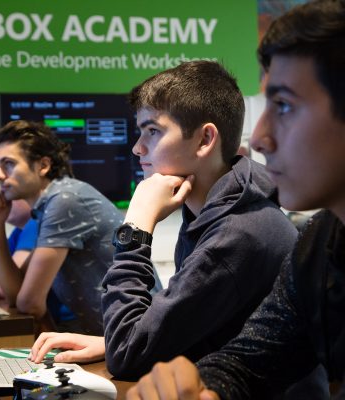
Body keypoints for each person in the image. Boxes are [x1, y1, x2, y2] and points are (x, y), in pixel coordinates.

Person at [126, 0, 345, 398]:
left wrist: (134, 229)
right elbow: (251, 359)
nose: (259, 138)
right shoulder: (323, 240)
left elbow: (133, 351)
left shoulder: (246, 231)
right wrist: (201, 386)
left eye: (283, 105)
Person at [30, 60, 300, 382]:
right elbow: (190, 329)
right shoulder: (218, 211)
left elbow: (128, 358)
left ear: (204, 140)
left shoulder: (238, 232)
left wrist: (137, 225)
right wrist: (112, 343)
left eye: (153, 131)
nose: (137, 148)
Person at [0, 120, 123, 335]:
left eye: (8, 163)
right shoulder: (47, 207)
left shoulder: (65, 200)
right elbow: (15, 293)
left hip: (137, 345)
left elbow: (30, 304)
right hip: (116, 341)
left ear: (43, 166)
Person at [0, 199, 37, 297]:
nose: (3, 201)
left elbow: (3, 289)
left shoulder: (35, 223)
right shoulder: (18, 231)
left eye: (12, 197)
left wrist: (5, 277)